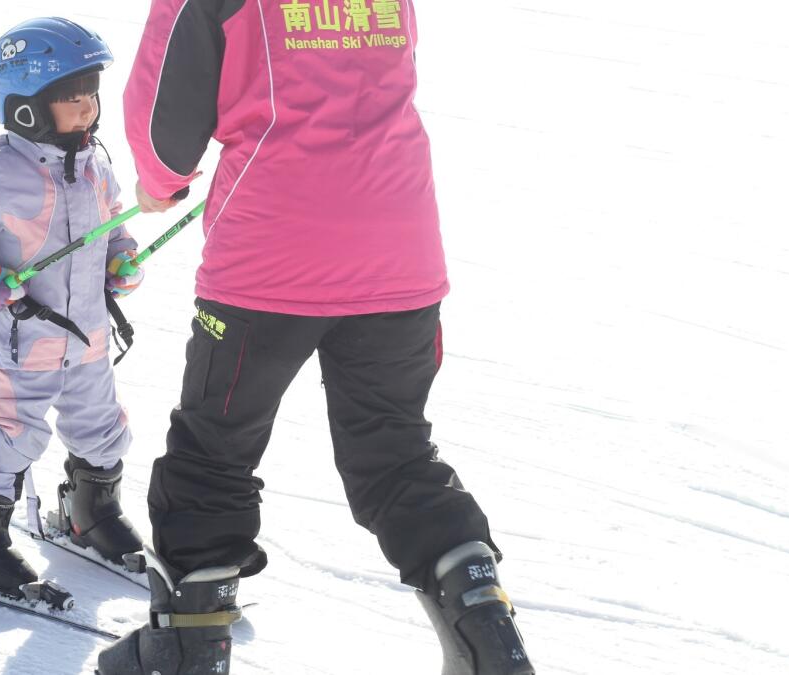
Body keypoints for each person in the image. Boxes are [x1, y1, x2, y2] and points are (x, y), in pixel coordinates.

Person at [97, 2, 535, 674]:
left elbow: (166, 120)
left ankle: (187, 645)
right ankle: (485, 630)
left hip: (272, 259)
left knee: (214, 451)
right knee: (395, 455)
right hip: (398, 246)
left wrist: (161, 184)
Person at [0, 17, 146, 598]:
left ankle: (89, 511)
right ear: (26, 107)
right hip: (21, 341)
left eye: (92, 94)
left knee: (100, 425)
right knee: (9, 431)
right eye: (72, 98)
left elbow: (112, 223)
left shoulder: (96, 163)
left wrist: (122, 258)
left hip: (89, 332)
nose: (88, 108)